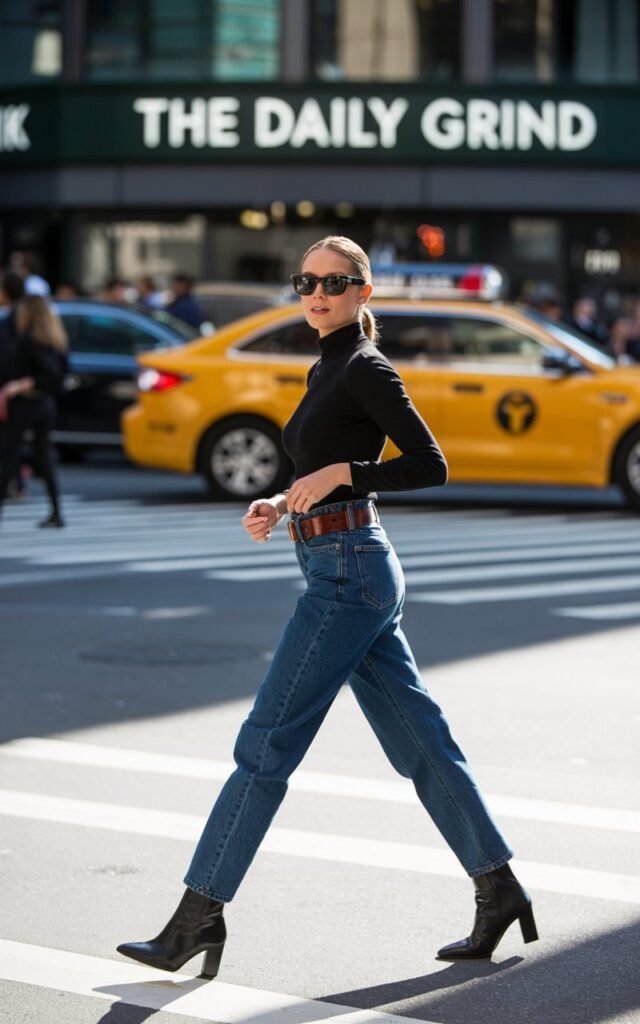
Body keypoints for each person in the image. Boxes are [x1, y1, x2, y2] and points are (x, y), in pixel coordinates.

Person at [117, 235, 537, 979]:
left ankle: (197, 916)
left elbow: (430, 464)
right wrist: (281, 501)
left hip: (349, 575)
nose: (317, 292)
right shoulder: (326, 363)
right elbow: (322, 473)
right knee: (423, 746)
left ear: (362, 292)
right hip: (339, 560)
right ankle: (498, 888)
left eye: (335, 282)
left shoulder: (367, 366)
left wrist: (349, 470)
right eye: (306, 280)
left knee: (266, 742)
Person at [0, 295, 68, 528]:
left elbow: (42, 374)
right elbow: (59, 377)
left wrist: (19, 384)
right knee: (43, 456)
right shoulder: (56, 341)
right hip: (46, 404)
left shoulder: (26, 341)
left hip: (23, 404)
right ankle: (56, 512)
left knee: (8, 456)